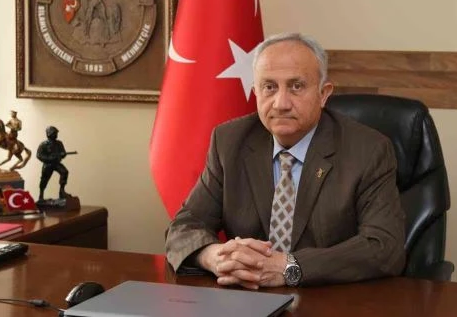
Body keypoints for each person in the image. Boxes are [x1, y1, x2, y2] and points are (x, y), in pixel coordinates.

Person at [166, 33, 405, 288]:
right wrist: (215, 257)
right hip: (247, 296)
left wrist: (290, 267)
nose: (281, 103)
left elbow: (385, 247)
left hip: (333, 298)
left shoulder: (368, 150)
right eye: (269, 87)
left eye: (296, 86)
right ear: (256, 92)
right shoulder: (230, 141)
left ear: (323, 94)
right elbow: (184, 227)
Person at [36, 126, 70, 201]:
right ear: (49, 134)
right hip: (48, 165)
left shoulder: (59, 143)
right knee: (44, 179)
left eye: (56, 133)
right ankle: (41, 195)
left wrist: (63, 154)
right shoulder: (44, 144)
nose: (56, 135)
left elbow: (63, 153)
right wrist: (49, 158)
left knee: (64, 172)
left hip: (56, 163)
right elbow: (39, 155)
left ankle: (62, 191)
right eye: (54, 133)